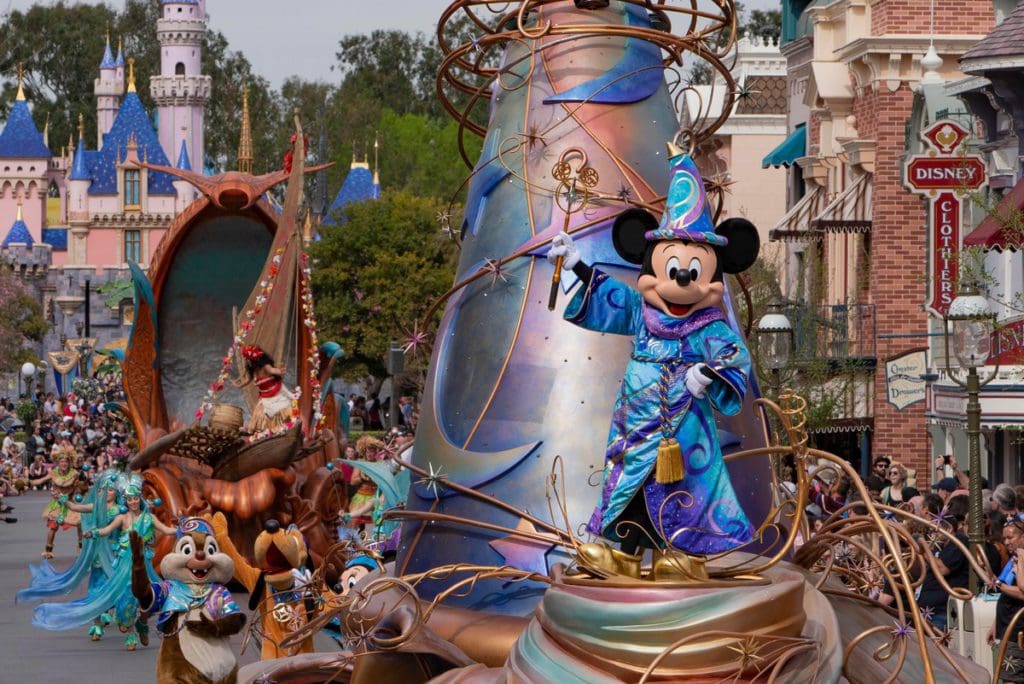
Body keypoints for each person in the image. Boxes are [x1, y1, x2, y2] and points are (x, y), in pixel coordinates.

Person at [988, 517, 1024, 682]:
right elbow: (1005, 593)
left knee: (1011, 678)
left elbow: (1022, 591)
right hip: (1006, 628)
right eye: (1004, 538)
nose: (1007, 542)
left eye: (1011, 537)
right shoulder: (1012, 560)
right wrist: (995, 624)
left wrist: (998, 585)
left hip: (1017, 630)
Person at [31, 449, 83, 558]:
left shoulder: (75, 474)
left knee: (80, 523)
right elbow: (40, 481)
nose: (64, 463)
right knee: (53, 527)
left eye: (66, 461)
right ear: (58, 463)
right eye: (61, 461)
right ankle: (48, 550)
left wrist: (81, 485)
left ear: (69, 463)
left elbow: (82, 486)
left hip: (70, 503)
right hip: (57, 505)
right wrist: (27, 482)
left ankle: (81, 547)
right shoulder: (53, 474)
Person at [238, 344, 295, 434]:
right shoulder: (253, 370)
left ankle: (280, 430)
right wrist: (239, 385)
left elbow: (273, 371)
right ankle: (264, 432)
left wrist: (280, 371)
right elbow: (248, 380)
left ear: (256, 359)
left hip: (275, 393)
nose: (247, 361)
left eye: (249, 359)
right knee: (261, 416)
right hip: (264, 397)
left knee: (280, 413)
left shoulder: (265, 366)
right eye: (247, 359)